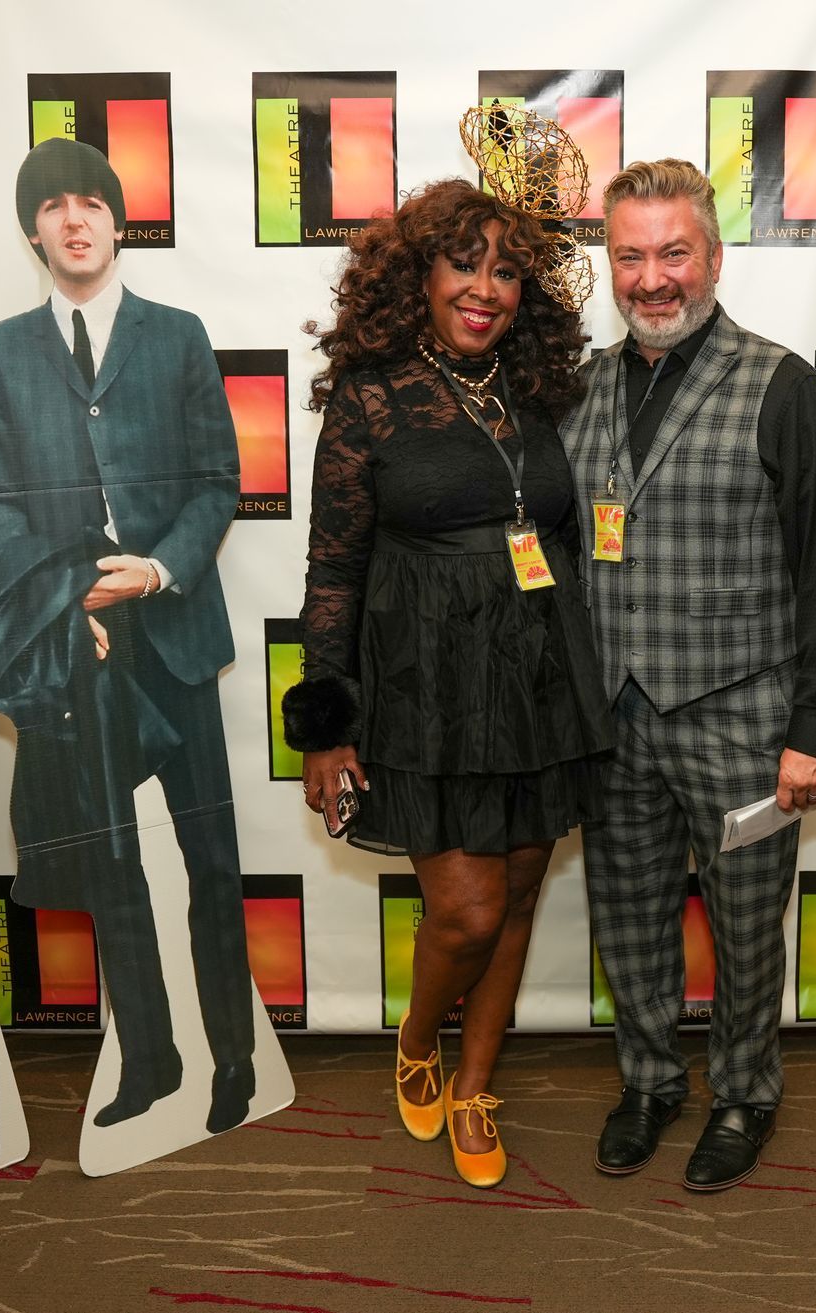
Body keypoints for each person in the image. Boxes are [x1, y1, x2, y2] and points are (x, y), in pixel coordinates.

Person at [283, 171, 611, 1190]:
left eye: (508, 271)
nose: (485, 288)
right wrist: (326, 726)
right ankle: (419, 1038)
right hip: (423, 679)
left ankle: (474, 1082)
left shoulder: (544, 386)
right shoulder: (371, 396)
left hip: (535, 672)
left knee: (516, 892)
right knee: (465, 909)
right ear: (417, 273)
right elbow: (332, 566)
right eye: (463, 263)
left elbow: (570, 525)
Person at [561, 159, 816, 1192]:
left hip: (746, 715)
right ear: (610, 262)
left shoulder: (781, 383)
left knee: (746, 924)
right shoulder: (584, 387)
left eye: (673, 252)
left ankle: (744, 1090)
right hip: (617, 715)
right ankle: (650, 1080)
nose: (653, 277)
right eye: (632, 255)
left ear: (713, 256)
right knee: (630, 909)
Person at [0, 138, 255, 1138]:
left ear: (119, 221)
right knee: (116, 865)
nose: (74, 218)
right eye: (53, 205)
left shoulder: (177, 336)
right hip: (76, 646)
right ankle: (152, 1060)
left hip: (171, 631)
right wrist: (61, 599)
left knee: (213, 859)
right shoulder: (1, 352)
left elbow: (219, 479)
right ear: (32, 229)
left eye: (92, 201)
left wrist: (160, 567)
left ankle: (235, 1059)